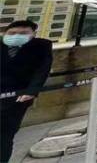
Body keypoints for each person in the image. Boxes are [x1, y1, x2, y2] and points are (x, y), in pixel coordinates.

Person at [1, 20, 53, 163]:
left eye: (23, 33)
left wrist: (31, 91)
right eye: (12, 33)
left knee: (5, 134)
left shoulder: (41, 46)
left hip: (18, 97)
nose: (16, 36)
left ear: (33, 34)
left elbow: (42, 70)